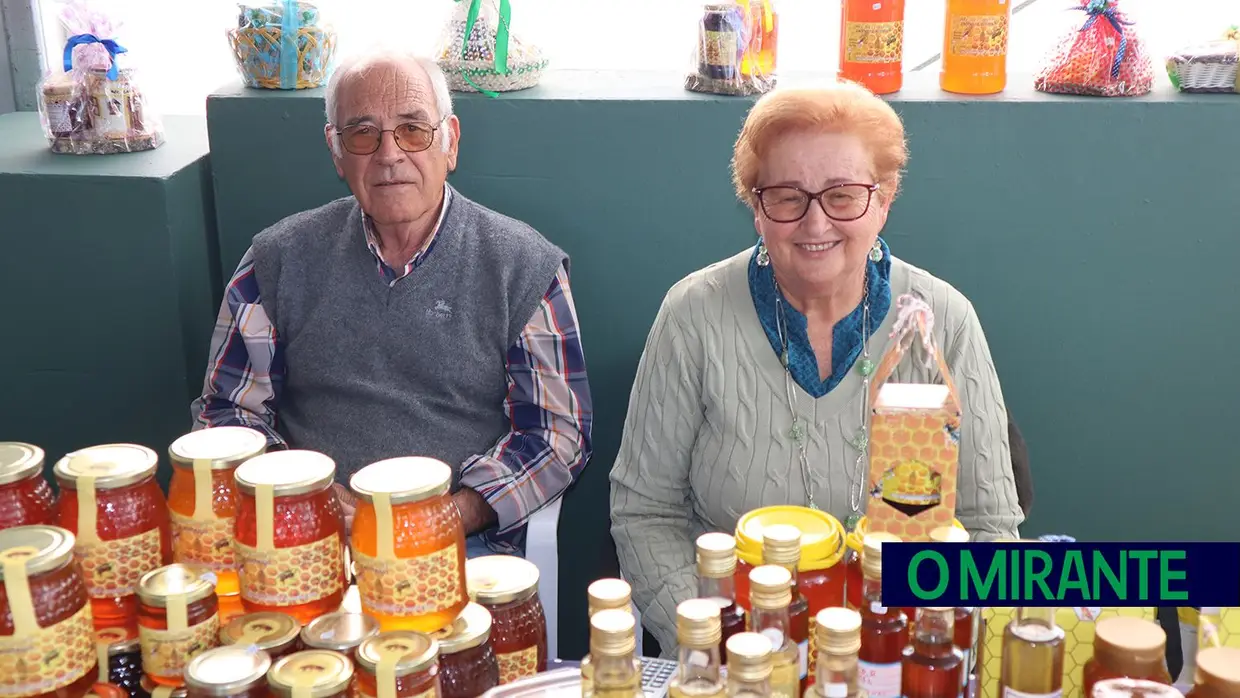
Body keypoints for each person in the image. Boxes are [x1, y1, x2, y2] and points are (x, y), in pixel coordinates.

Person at [609, 82, 1023, 653]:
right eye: (785, 196)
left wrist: (929, 645)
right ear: (755, 206)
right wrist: (718, 640)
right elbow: (644, 513)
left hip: (903, 648)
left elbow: (989, 529)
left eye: (844, 194)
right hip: (739, 649)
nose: (815, 222)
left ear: (884, 198)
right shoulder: (692, 315)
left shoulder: (945, 319)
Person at [191, 49, 593, 557]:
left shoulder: (522, 266)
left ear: (450, 142)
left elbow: (559, 437)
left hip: (455, 543)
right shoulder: (275, 261)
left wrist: (446, 514)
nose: (389, 155)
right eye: (363, 133)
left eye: (413, 129)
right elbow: (225, 412)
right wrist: (304, 495)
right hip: (304, 533)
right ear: (336, 152)